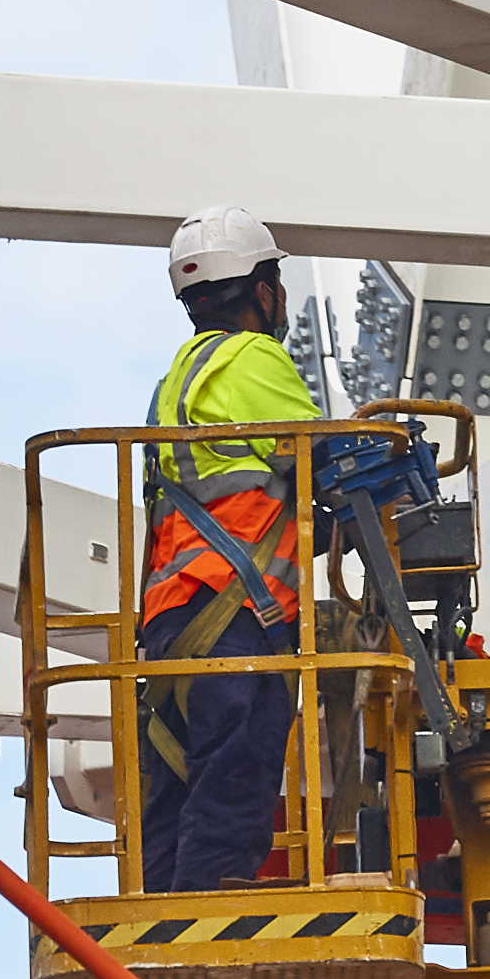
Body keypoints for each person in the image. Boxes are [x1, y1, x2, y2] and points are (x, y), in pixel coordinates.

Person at [132, 206, 317, 892]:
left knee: (178, 777)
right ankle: (206, 930)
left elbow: (226, 491)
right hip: (235, 612)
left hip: (174, 618)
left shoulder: (173, 381)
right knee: (237, 768)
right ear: (262, 289)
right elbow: (321, 456)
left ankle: (155, 932)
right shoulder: (254, 358)